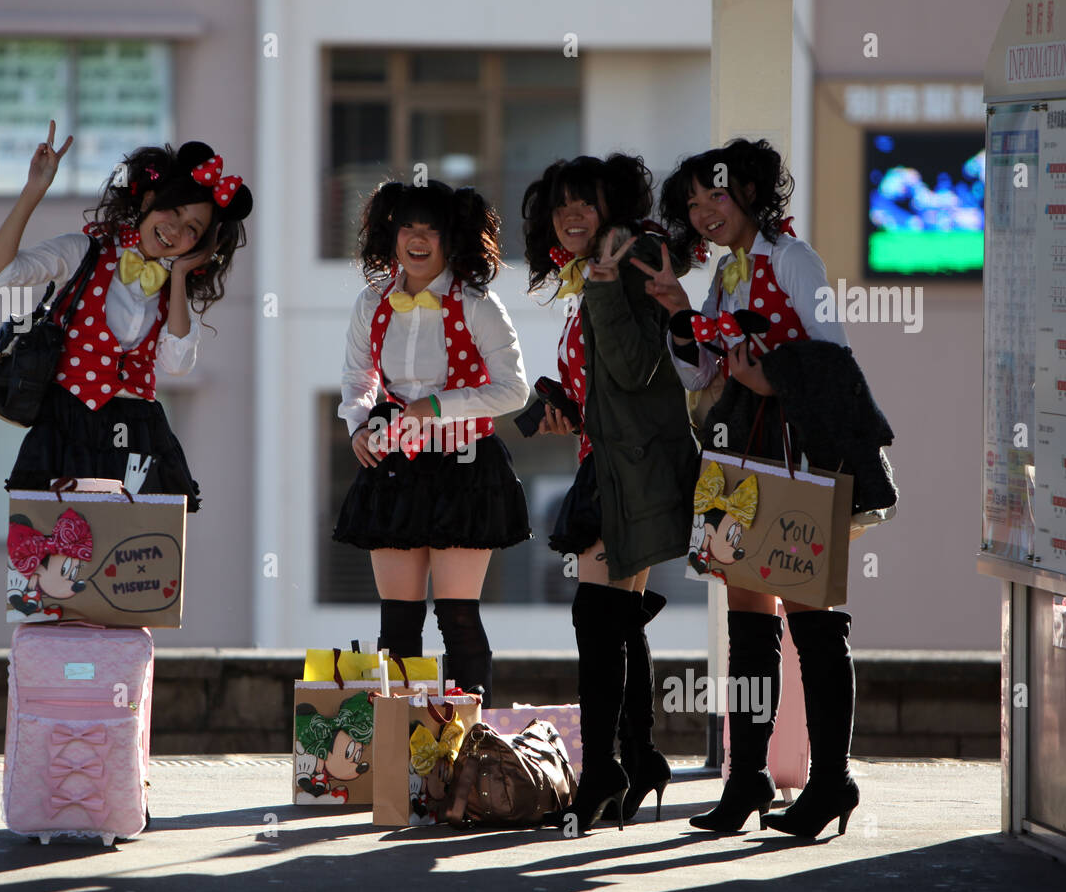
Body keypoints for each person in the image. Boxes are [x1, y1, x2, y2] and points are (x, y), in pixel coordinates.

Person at [638, 138, 897, 839]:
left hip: (796, 447)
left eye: (713, 196)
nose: (702, 213)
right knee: (747, 614)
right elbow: (700, 376)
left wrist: (769, 377)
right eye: (691, 205)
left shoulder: (794, 258)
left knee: (812, 617)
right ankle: (747, 776)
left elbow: (834, 357)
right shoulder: (725, 274)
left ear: (750, 189)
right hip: (738, 446)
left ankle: (831, 781)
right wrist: (675, 310)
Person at [522, 154, 700, 832]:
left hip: (636, 467)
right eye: (561, 203)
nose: (572, 215)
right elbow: (610, 380)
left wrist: (599, 283)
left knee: (597, 620)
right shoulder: (601, 269)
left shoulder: (636, 256)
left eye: (586, 202)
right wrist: (563, 404)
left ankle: (605, 769)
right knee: (614, 618)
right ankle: (639, 756)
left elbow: (634, 362)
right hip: (613, 459)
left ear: (613, 207)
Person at [0, 123, 252, 512]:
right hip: (67, 421)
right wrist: (33, 190)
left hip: (137, 430)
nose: (175, 229)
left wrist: (178, 276)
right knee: (55, 551)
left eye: (193, 228)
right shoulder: (83, 252)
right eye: (172, 210)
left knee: (131, 560)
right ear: (148, 200)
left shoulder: (172, 293)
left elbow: (176, 365)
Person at [333, 180, 530, 704]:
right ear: (391, 236)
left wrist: (440, 406)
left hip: (465, 468)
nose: (417, 239)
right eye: (407, 227)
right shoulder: (371, 301)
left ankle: (467, 748)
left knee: (458, 616)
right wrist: (356, 425)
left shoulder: (478, 305)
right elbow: (358, 378)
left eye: (431, 229)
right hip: (395, 465)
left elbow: (514, 389)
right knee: (398, 623)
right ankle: (404, 752)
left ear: (450, 240)